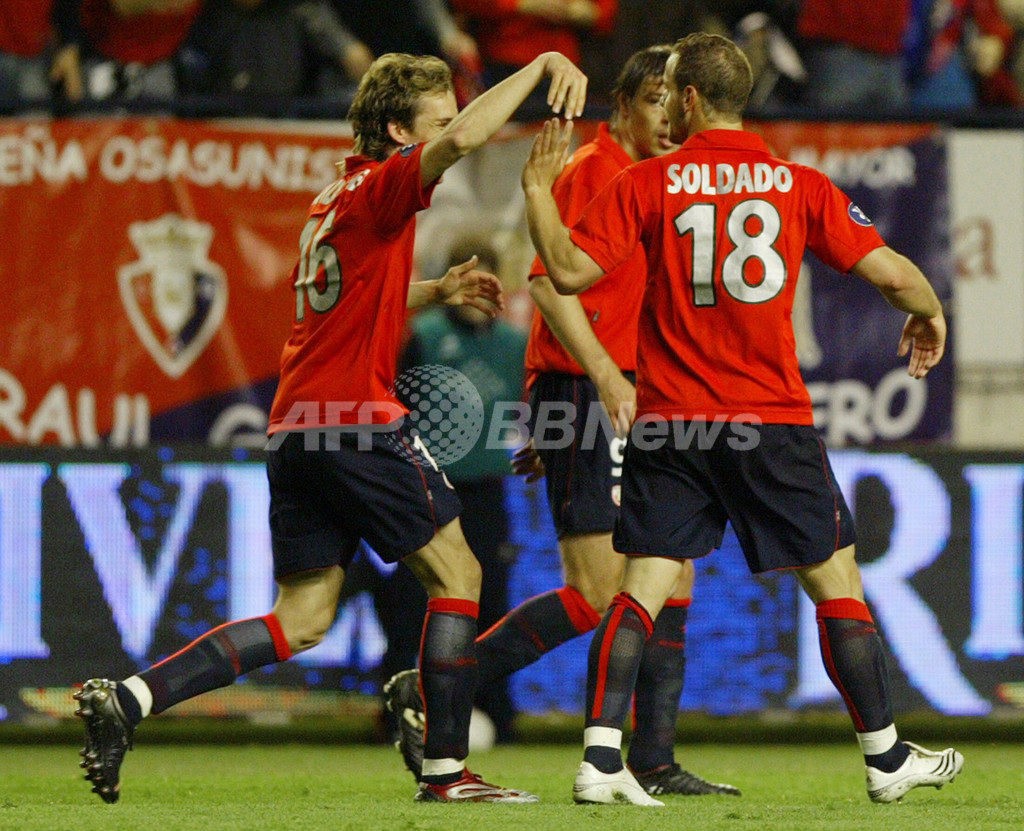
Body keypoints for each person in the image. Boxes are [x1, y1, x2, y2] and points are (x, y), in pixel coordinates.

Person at [73, 48, 587, 805]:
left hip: (296, 427)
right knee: (460, 574)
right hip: (355, 420)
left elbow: (350, 302)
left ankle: (130, 700)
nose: (450, 129)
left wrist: (435, 288)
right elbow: (470, 139)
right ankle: (447, 770)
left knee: (303, 616)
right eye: (435, 120)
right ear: (394, 128)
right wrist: (541, 65)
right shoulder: (384, 185)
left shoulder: (332, 199)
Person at [521, 32, 961, 806]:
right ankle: (886, 758)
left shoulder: (648, 182)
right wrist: (927, 312)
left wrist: (534, 194)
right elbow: (891, 272)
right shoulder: (797, 184)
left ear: (689, 99)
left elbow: (565, 272)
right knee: (837, 584)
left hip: (671, 424)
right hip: (770, 419)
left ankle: (598, 758)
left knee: (642, 587)